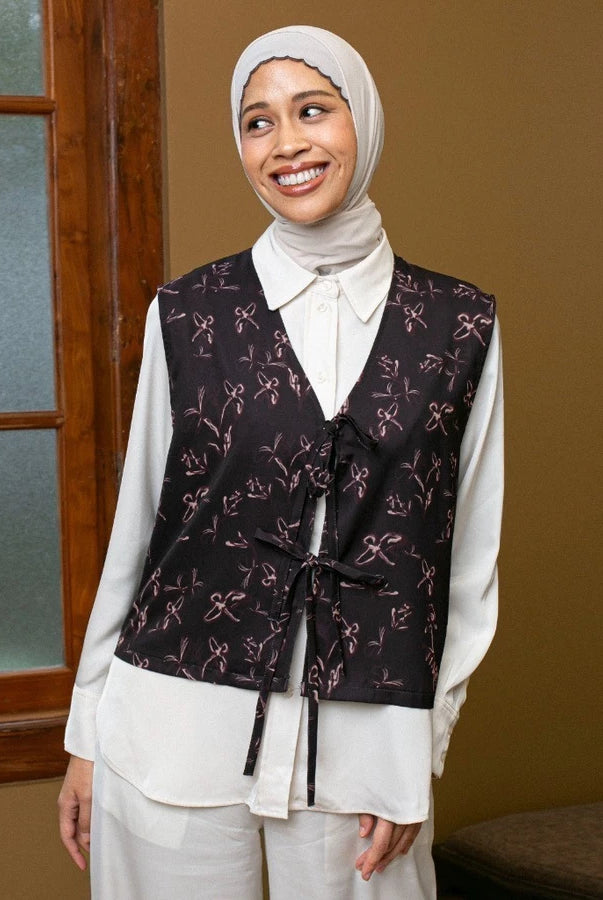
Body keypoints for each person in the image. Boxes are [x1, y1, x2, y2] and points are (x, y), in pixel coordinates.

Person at [58, 25, 503, 900]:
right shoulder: (186, 312)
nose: (287, 143)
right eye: (257, 123)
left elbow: (465, 569)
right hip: (169, 727)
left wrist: (415, 749)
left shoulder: (459, 324)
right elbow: (139, 533)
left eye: (312, 110)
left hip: (366, 743)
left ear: (361, 122)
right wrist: (85, 733)